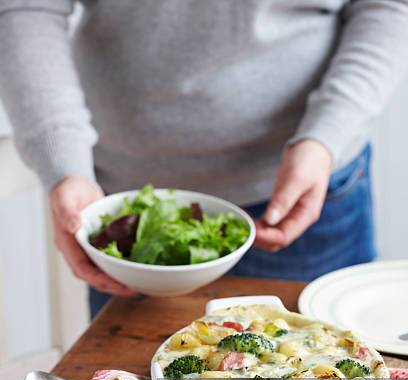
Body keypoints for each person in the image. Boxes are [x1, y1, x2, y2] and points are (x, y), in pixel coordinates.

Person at [1, 1, 408, 318]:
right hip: (126, 212)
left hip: (309, 194)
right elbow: (25, 7)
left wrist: (326, 136)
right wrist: (63, 163)